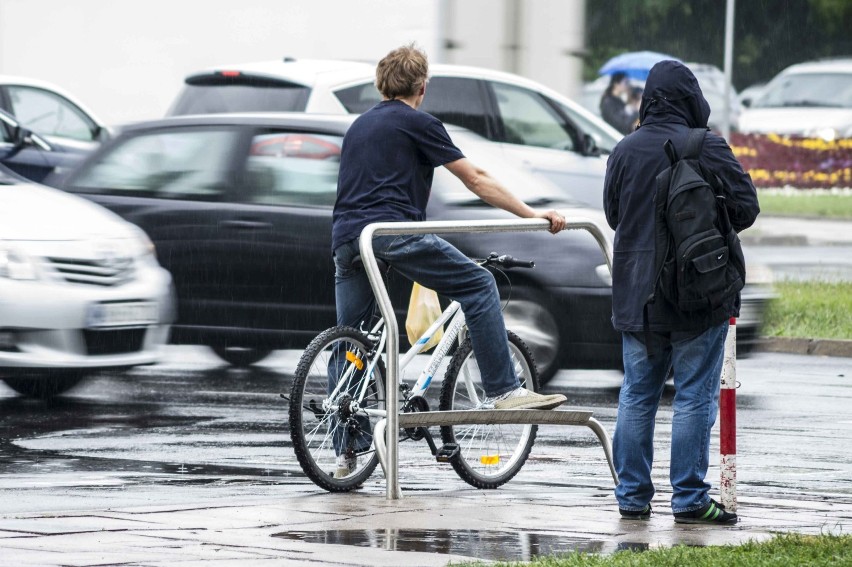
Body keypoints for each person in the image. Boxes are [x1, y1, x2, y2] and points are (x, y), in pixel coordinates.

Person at [331, 44, 568, 477]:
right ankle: (502, 390)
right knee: (479, 285)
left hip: (348, 239)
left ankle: (347, 448)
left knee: (354, 340)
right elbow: (474, 178)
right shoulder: (419, 122)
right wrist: (532, 215)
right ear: (423, 86)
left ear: (381, 84)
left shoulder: (359, 126)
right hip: (392, 234)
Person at [602, 60, 759, 524]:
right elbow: (747, 208)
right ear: (689, 97)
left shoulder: (624, 150)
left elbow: (614, 215)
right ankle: (689, 499)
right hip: (698, 293)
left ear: (649, 100)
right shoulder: (705, 144)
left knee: (637, 395)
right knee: (692, 396)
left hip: (638, 298)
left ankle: (631, 497)